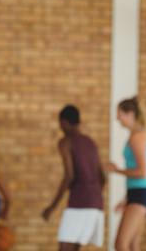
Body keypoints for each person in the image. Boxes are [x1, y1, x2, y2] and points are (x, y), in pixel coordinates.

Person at [42, 105, 105, 251]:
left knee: (65, 247)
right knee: (75, 247)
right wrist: (93, 194)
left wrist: (52, 207)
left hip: (80, 202)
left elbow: (69, 176)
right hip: (96, 202)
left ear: (64, 122)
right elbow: (102, 177)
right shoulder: (91, 142)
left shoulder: (66, 142)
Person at [108, 96, 146, 251]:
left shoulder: (137, 137)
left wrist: (117, 170)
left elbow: (143, 172)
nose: (117, 118)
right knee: (132, 245)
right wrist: (126, 198)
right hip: (137, 192)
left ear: (129, 114)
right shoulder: (136, 135)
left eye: (119, 114)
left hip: (142, 193)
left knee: (121, 244)